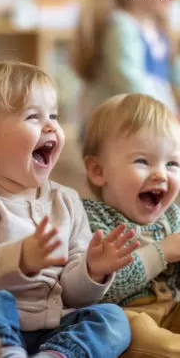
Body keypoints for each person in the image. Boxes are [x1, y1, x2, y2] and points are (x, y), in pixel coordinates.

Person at [0, 61, 140, 358]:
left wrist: (92, 270)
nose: (51, 126)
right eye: (33, 116)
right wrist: (21, 258)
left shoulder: (67, 200)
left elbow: (74, 295)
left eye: (54, 115)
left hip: (53, 323)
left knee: (112, 319)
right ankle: (6, 352)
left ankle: (57, 355)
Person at [82, 93, 180, 358]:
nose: (161, 174)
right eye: (142, 161)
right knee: (136, 330)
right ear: (98, 171)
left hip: (172, 308)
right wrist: (162, 251)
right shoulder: (93, 221)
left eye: (172, 163)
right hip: (125, 316)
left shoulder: (172, 217)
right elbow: (102, 293)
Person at [70, 0, 180, 134]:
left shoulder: (158, 26)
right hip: (112, 130)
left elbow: (174, 70)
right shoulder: (121, 27)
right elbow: (132, 84)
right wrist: (168, 117)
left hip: (146, 122)